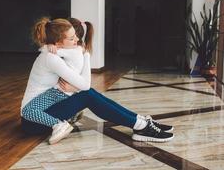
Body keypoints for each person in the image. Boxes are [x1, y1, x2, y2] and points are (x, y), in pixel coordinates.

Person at [21, 17, 174, 145]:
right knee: (87, 94)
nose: (77, 40)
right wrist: (86, 56)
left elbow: (79, 82)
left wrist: (75, 85)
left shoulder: (56, 52)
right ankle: (140, 125)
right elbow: (85, 84)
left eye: (76, 36)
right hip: (35, 121)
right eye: (71, 38)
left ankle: (139, 121)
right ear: (58, 43)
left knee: (89, 94)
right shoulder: (51, 58)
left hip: (49, 105)